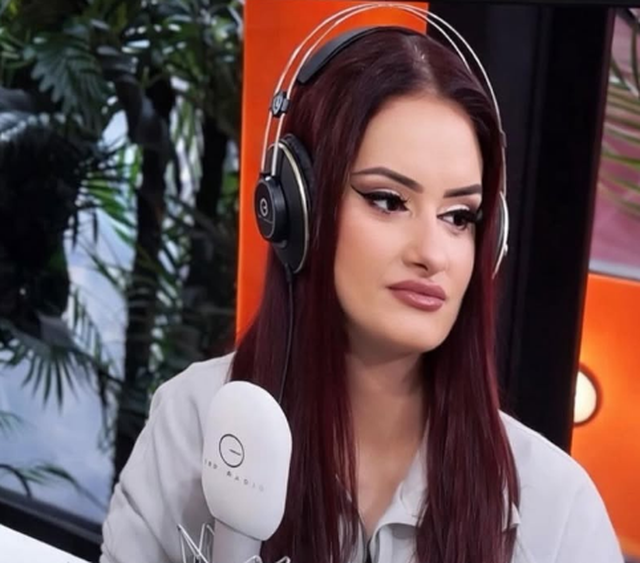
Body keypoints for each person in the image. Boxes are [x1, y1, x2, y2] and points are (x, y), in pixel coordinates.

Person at [99, 19, 624, 563]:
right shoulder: (191, 424)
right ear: (297, 210)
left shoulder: (558, 512)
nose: (433, 253)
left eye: (459, 216)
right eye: (388, 201)